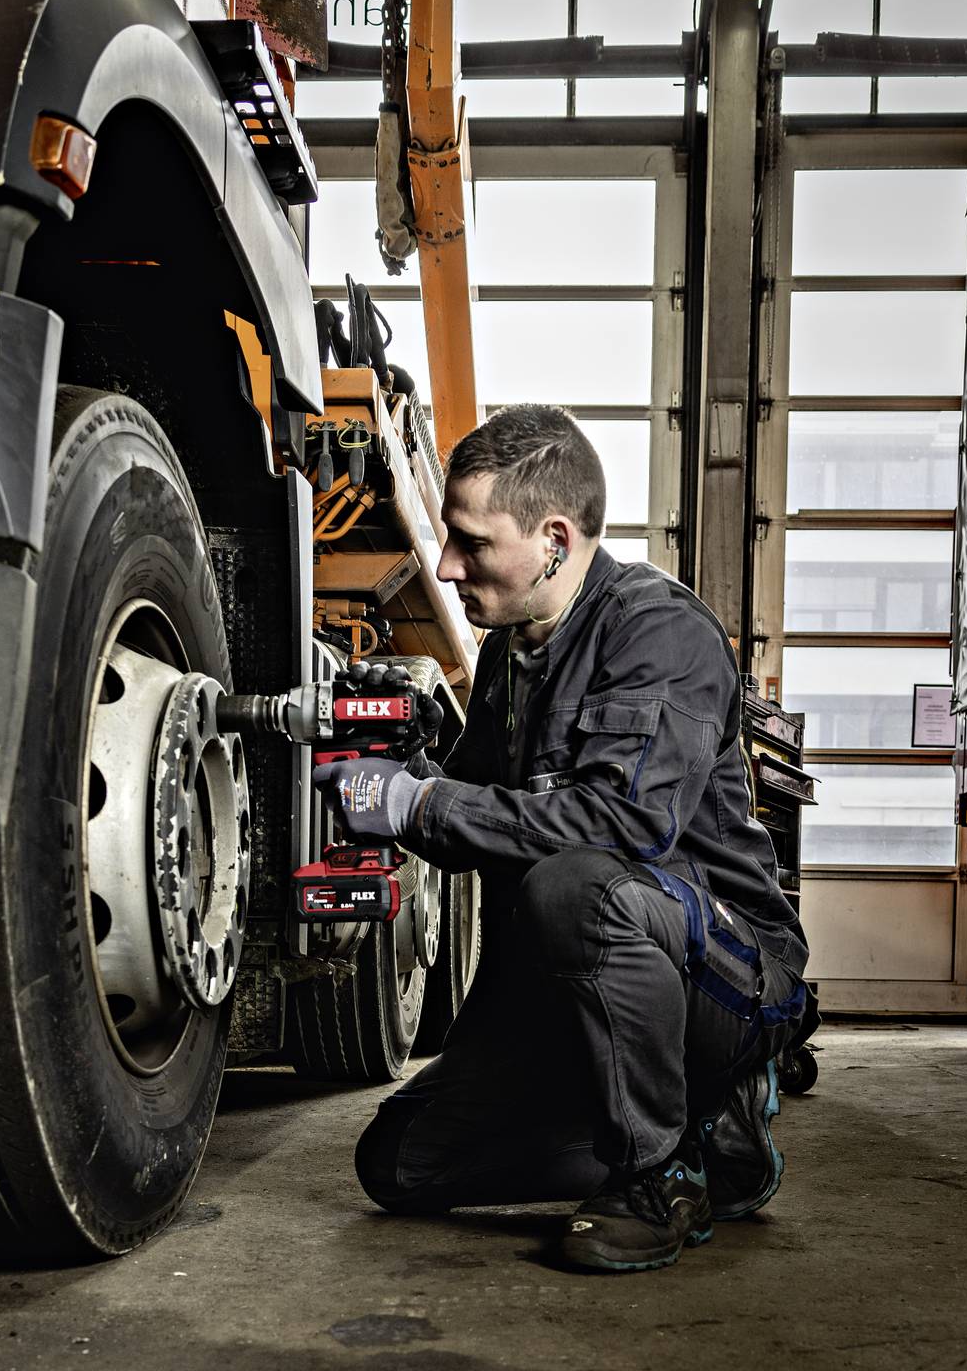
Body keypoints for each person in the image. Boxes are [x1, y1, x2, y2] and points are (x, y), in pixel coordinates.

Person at [313, 404, 812, 1275]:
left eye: (469, 542)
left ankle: (657, 1173)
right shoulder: (513, 648)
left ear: (552, 537)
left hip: (725, 974)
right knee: (400, 1164)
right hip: (571, 971)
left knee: (574, 886)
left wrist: (416, 804)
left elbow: (626, 826)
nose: (445, 565)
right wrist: (396, 767)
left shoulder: (660, 632)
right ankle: (694, 1137)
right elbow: (472, 817)